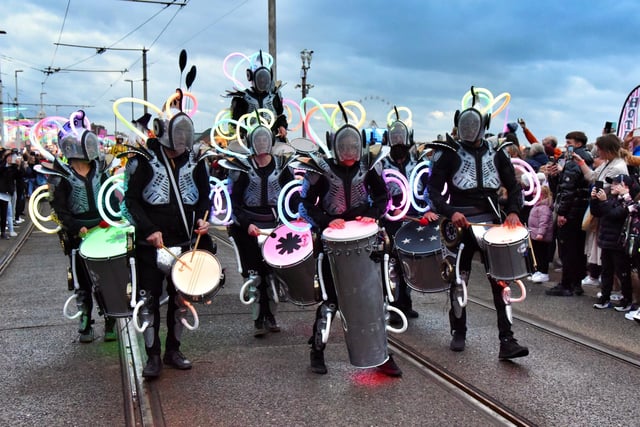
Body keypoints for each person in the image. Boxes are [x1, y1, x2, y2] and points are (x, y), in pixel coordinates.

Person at [298, 117, 402, 376]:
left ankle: (381, 356)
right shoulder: (321, 170)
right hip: (332, 240)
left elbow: (383, 197)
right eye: (344, 146)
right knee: (330, 300)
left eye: (353, 147)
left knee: (374, 299)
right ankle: (317, 351)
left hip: (365, 240)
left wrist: (374, 214)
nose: (349, 152)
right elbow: (306, 205)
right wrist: (325, 221)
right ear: (335, 146)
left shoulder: (369, 167)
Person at [426, 106, 529, 360]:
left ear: (483, 126)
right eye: (466, 126)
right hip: (459, 226)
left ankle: (508, 340)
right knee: (458, 280)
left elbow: (514, 187)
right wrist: (450, 212)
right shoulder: (447, 153)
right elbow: (433, 191)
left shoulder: (498, 152)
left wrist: (514, 211)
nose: (470, 131)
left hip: (492, 224)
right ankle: (458, 331)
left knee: (502, 281)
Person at [123, 111, 216, 378]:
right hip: (151, 245)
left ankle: (173, 350)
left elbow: (204, 197)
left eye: (184, 135)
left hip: (186, 241)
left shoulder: (196, 160)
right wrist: (149, 230)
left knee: (182, 300)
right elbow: (130, 201)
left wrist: (203, 219)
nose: (181, 140)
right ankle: (152, 356)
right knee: (148, 300)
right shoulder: (143, 160)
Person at [42, 113, 116, 343]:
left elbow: (111, 197)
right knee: (81, 279)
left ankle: (110, 317)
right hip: (78, 234)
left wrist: (112, 220)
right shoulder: (61, 174)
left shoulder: (101, 167)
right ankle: (85, 316)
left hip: (102, 229)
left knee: (107, 278)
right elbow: (59, 208)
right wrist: (75, 227)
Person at [223, 124, 294, 337]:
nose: (262, 144)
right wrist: (246, 225)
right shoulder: (242, 168)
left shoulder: (283, 166)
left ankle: (271, 316)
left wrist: (288, 221)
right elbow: (234, 202)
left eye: (265, 140)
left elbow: (292, 195)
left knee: (272, 273)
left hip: (275, 225)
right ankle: (258, 318)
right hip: (248, 226)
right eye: (258, 140)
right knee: (255, 275)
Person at [380, 116, 438, 325]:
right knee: (392, 263)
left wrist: (430, 210)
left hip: (414, 218)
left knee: (409, 263)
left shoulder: (419, 165)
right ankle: (392, 305)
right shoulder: (381, 166)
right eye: (394, 138)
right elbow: (376, 194)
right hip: (392, 220)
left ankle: (406, 303)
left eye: (400, 138)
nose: (398, 142)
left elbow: (428, 189)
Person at [573, 134, 629, 291]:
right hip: (603, 210)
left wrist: (599, 194)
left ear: (607, 149)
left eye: (600, 150)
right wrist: (581, 163)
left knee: (611, 256)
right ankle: (608, 288)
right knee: (604, 253)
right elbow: (592, 177)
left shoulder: (617, 167)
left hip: (609, 211)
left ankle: (615, 290)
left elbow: (606, 187)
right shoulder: (608, 163)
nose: (597, 153)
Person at [545, 131, 593, 296]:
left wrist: (562, 212)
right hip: (580, 210)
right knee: (578, 249)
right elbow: (559, 185)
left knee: (568, 248)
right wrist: (553, 176)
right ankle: (576, 283)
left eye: (569, 142)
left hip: (571, 211)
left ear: (578, 143)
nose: (566, 145)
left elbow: (567, 188)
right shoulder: (583, 157)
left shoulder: (573, 160)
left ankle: (567, 284)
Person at [590, 174, 636, 311]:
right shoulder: (611, 199)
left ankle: (627, 299)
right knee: (606, 271)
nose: (613, 186)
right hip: (606, 241)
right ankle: (605, 297)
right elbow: (597, 212)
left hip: (619, 243)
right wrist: (594, 200)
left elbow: (615, 214)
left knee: (622, 272)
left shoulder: (629, 202)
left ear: (626, 186)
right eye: (613, 183)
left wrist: (603, 202)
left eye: (617, 184)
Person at [227, 50, 288, 141]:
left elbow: (280, 116)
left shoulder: (274, 97)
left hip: (272, 140)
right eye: (260, 77)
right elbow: (235, 123)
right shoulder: (242, 98)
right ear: (251, 76)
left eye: (264, 77)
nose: (262, 80)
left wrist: (282, 126)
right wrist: (242, 133)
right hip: (250, 141)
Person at [527, 185, 554, 283]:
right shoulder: (537, 206)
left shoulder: (544, 208)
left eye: (535, 194)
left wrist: (540, 233)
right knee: (537, 254)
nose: (533, 196)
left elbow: (544, 223)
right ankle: (537, 270)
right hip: (535, 235)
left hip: (541, 237)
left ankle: (543, 272)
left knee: (542, 255)